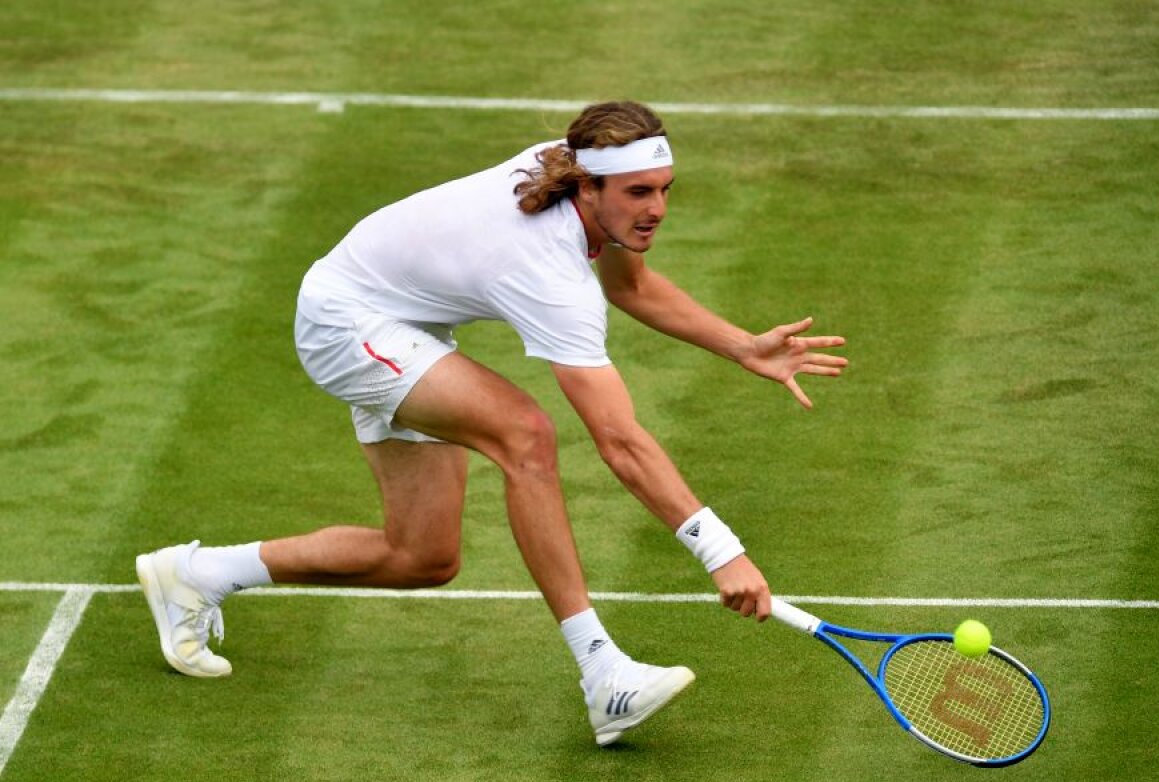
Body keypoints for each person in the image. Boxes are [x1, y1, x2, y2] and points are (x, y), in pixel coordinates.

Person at [135, 101, 848, 746]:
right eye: (639, 193)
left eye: (664, 189)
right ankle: (603, 674)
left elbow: (633, 284)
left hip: (402, 317)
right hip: (347, 322)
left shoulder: (581, 176)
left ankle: (196, 574)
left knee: (421, 557)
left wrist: (739, 344)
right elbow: (621, 441)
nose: (657, 207)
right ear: (587, 188)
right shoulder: (543, 267)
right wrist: (721, 552)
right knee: (525, 435)